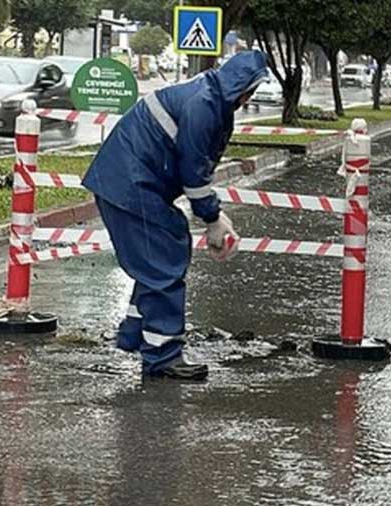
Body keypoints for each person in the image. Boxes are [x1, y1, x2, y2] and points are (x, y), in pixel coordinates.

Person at [82, 51, 269, 380]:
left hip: (129, 181)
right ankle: (163, 357)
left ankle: (135, 333)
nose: (248, 98)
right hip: (130, 185)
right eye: (249, 91)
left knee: (170, 242)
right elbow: (194, 174)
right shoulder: (205, 105)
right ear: (242, 87)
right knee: (163, 262)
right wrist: (213, 219)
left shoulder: (210, 97)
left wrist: (213, 217)